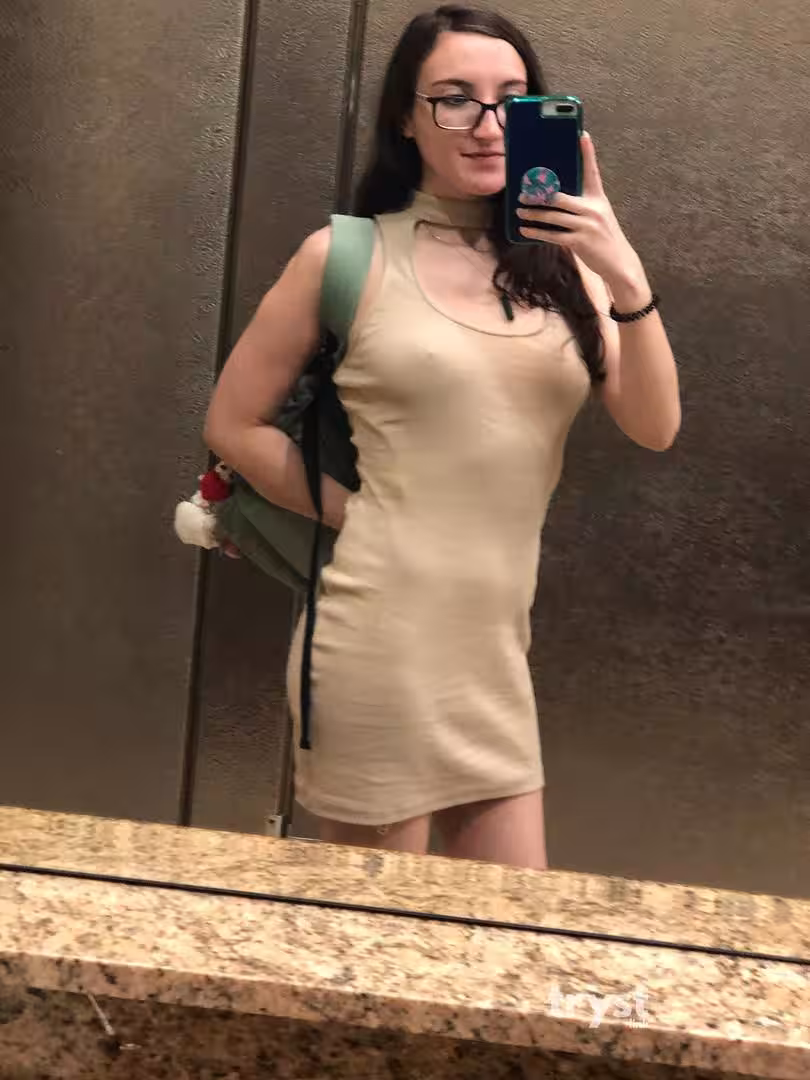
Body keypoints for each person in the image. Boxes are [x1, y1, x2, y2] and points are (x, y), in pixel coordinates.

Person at [204, 4, 680, 870]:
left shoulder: (567, 271)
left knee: (512, 929)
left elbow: (654, 426)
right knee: (379, 929)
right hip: (377, 642)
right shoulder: (344, 256)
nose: (489, 125)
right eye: (455, 98)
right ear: (405, 117)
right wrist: (366, 516)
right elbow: (232, 424)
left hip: (494, 656)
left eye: (512, 99)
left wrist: (624, 272)